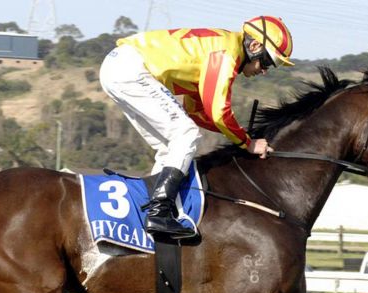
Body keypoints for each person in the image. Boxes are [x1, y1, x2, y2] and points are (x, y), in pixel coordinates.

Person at [99, 16, 295, 239]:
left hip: (118, 67)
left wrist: (241, 136)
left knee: (171, 146)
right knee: (186, 133)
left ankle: (152, 212)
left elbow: (197, 113)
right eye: (268, 61)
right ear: (255, 46)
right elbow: (219, 113)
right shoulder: (226, 54)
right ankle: (158, 212)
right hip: (130, 69)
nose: (265, 70)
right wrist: (247, 143)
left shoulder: (218, 49)